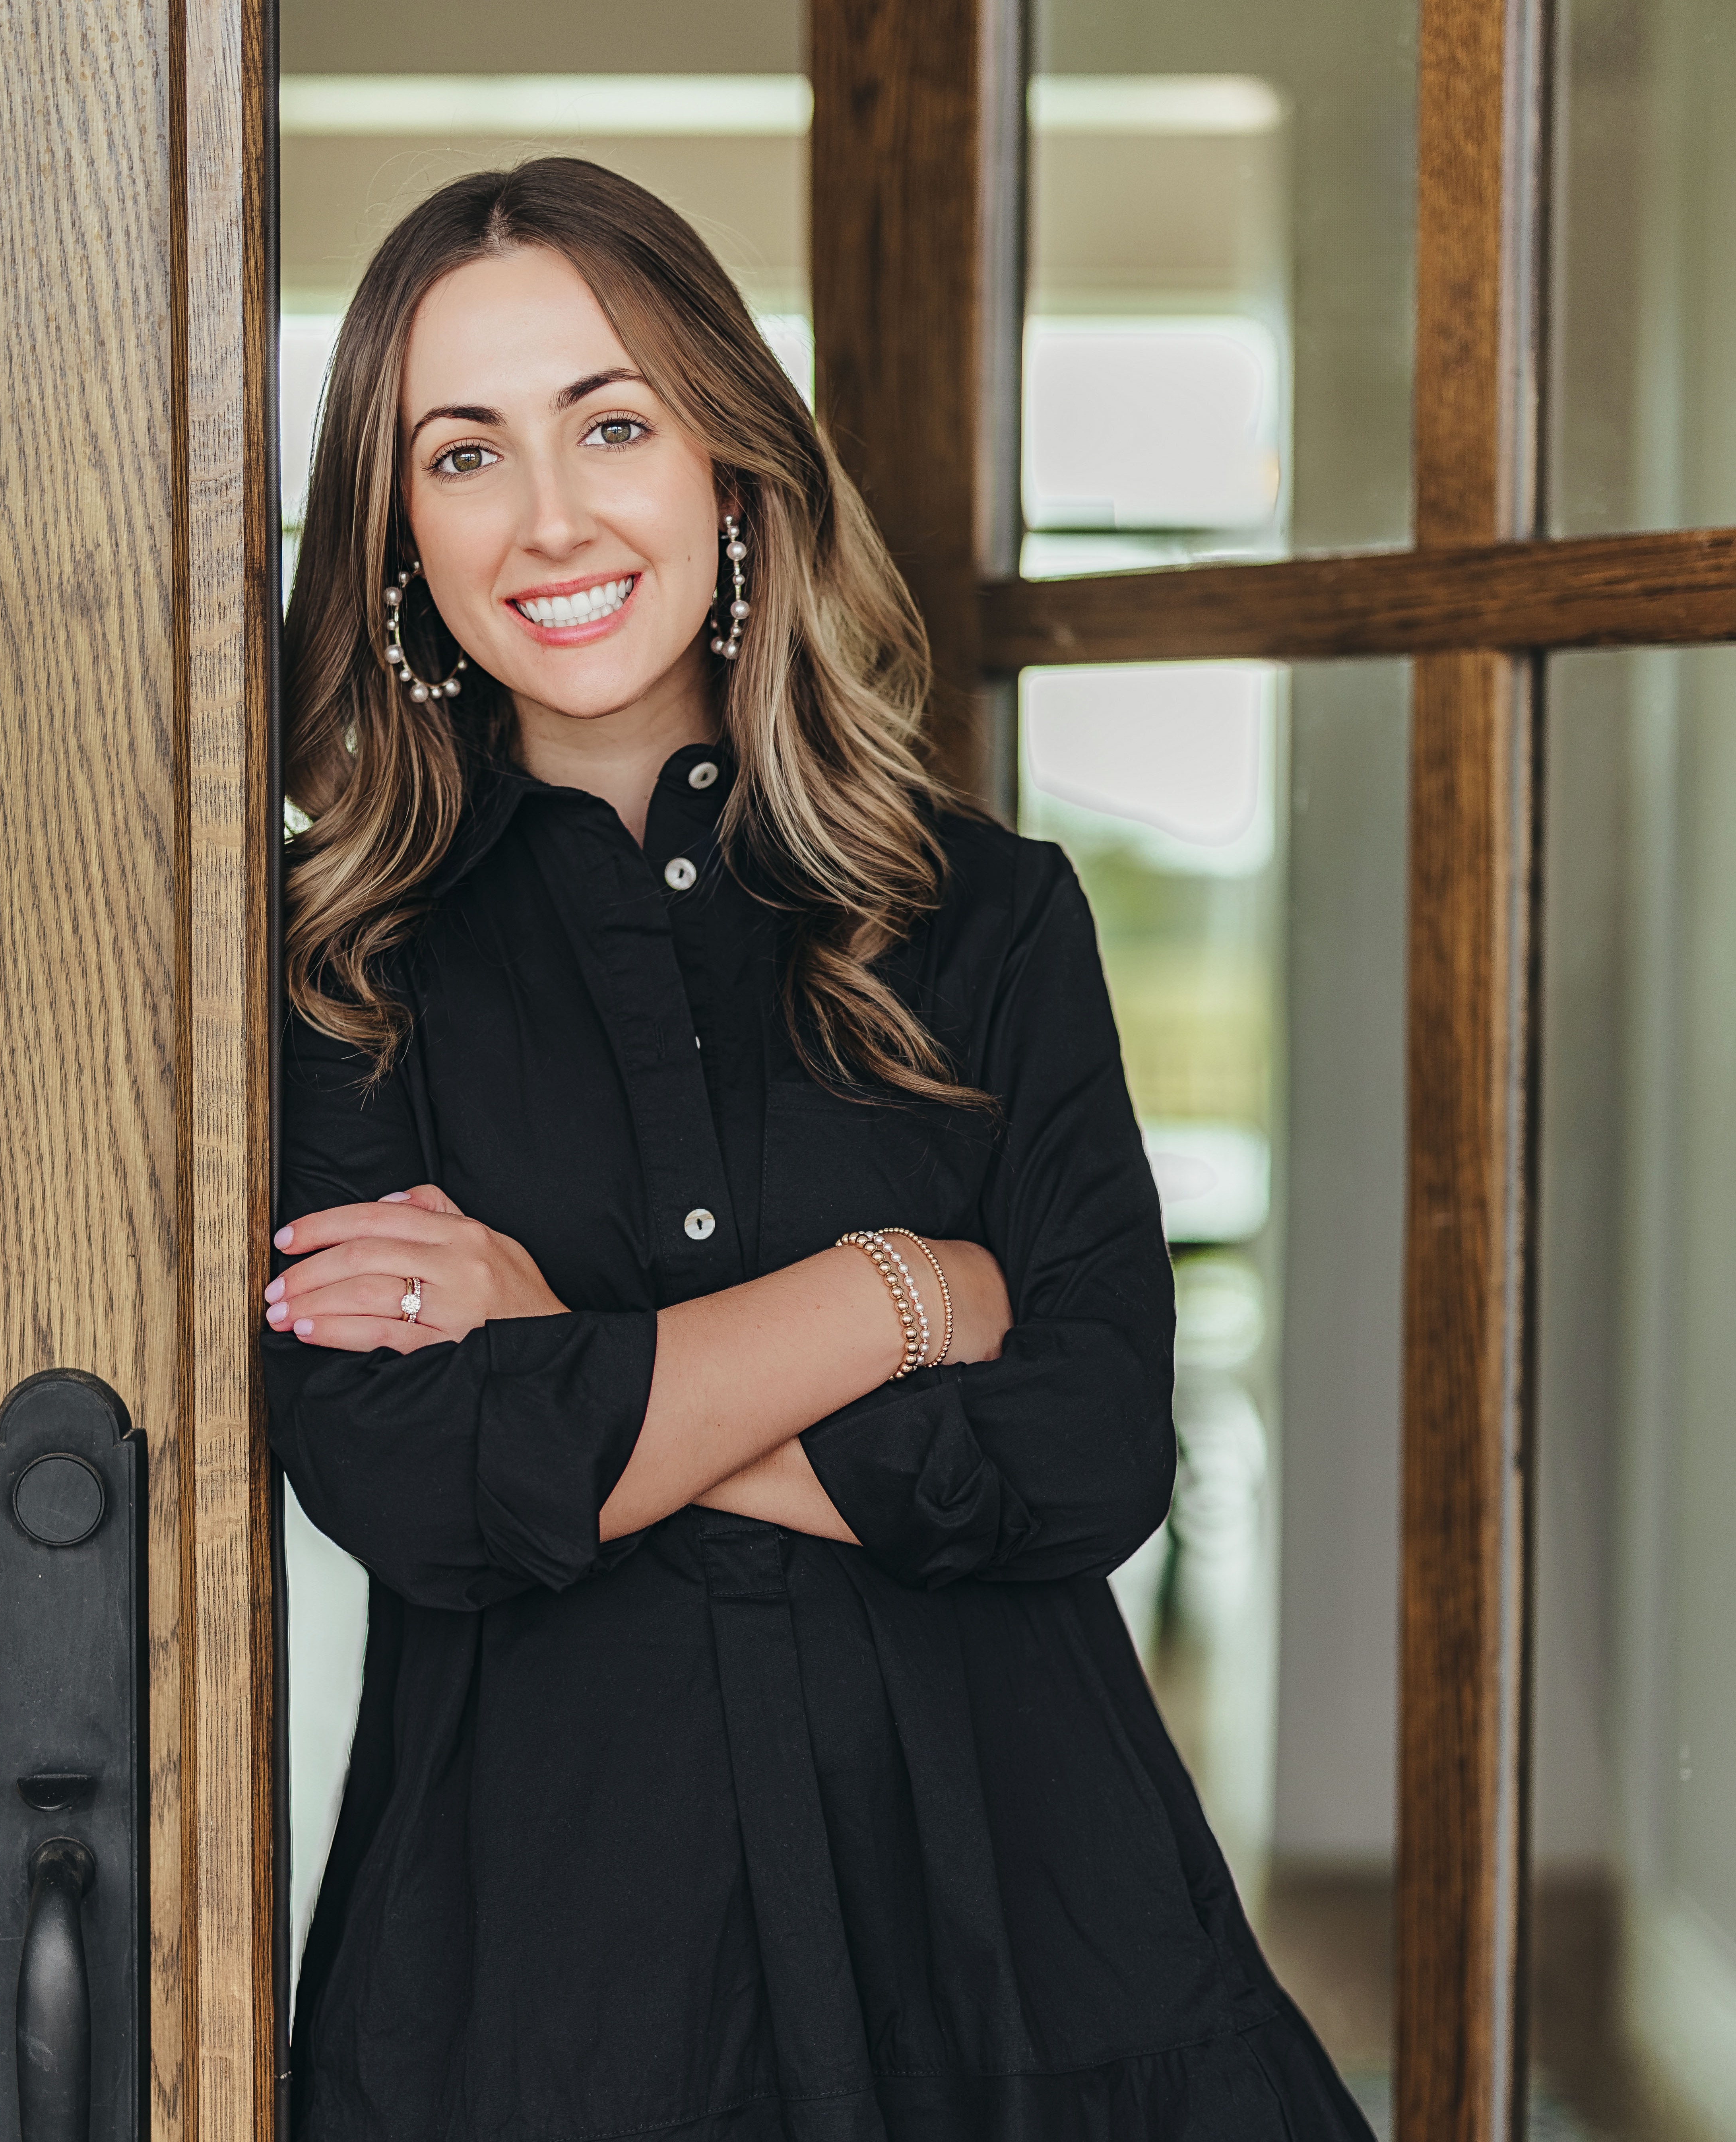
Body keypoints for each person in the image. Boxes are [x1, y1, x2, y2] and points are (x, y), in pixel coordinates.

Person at [261, 157, 1373, 2142]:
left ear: (731, 467)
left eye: (613, 423)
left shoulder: (994, 924)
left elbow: (1094, 1456)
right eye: (462, 456)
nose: (552, 518)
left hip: (1026, 1954)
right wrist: (904, 1298)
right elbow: (422, 1486)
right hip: (552, 1991)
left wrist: (574, 1358)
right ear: (394, 534)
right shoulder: (346, 970)